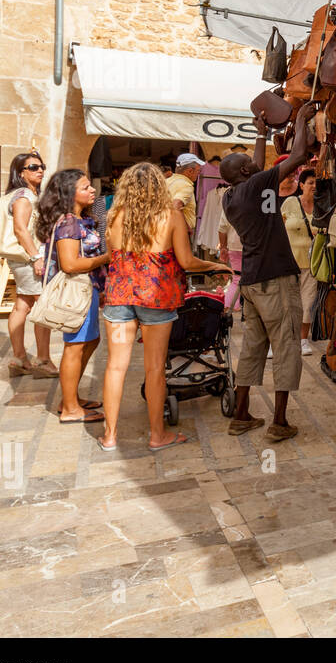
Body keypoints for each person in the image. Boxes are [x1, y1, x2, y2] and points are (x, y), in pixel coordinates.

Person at [99, 163, 231, 452]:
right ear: (160, 186)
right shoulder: (171, 216)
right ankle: (157, 435)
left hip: (120, 298)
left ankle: (109, 436)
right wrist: (214, 265)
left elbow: (111, 256)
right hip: (157, 300)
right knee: (155, 369)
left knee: (115, 367)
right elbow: (187, 262)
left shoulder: (114, 216)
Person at [219, 106, 318, 442]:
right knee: (287, 346)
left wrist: (262, 132)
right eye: (249, 162)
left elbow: (257, 168)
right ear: (247, 171)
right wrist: (302, 121)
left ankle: (242, 414)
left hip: (250, 282)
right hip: (276, 280)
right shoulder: (258, 184)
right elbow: (301, 154)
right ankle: (279, 421)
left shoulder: (232, 196)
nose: (254, 164)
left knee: (253, 348)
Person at [34, 169, 109, 424]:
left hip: (88, 290)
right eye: (85, 187)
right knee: (75, 346)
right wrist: (109, 257)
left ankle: (70, 398)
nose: (92, 190)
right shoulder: (69, 222)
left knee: (90, 341)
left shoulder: (79, 220)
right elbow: (70, 264)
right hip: (77, 292)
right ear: (69, 193)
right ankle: (70, 409)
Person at [4, 152, 58, 379]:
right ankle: (43, 360)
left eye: (41, 166)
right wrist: (37, 257)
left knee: (22, 304)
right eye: (33, 167)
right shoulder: (24, 196)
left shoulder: (24, 194)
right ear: (20, 173)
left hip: (23, 258)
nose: (40, 170)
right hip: (29, 258)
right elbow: (20, 229)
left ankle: (19, 358)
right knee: (42, 307)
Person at [281, 168, 320, 356]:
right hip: (290, 262)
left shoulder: (322, 206)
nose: (314, 186)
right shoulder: (290, 203)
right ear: (302, 185)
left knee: (308, 302)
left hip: (313, 263)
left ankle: (303, 340)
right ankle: (280, 340)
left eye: (316, 183)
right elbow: (278, 228)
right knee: (286, 302)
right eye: (310, 182)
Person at [166, 153, 202, 234]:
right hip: (178, 233)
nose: (198, 173)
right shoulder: (186, 185)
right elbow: (176, 206)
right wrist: (186, 228)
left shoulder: (167, 181)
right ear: (190, 171)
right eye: (198, 171)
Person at [218, 214, 243, 312]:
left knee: (237, 279)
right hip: (252, 246)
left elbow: (222, 228)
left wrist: (223, 247)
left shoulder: (229, 200)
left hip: (234, 245)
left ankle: (229, 305)